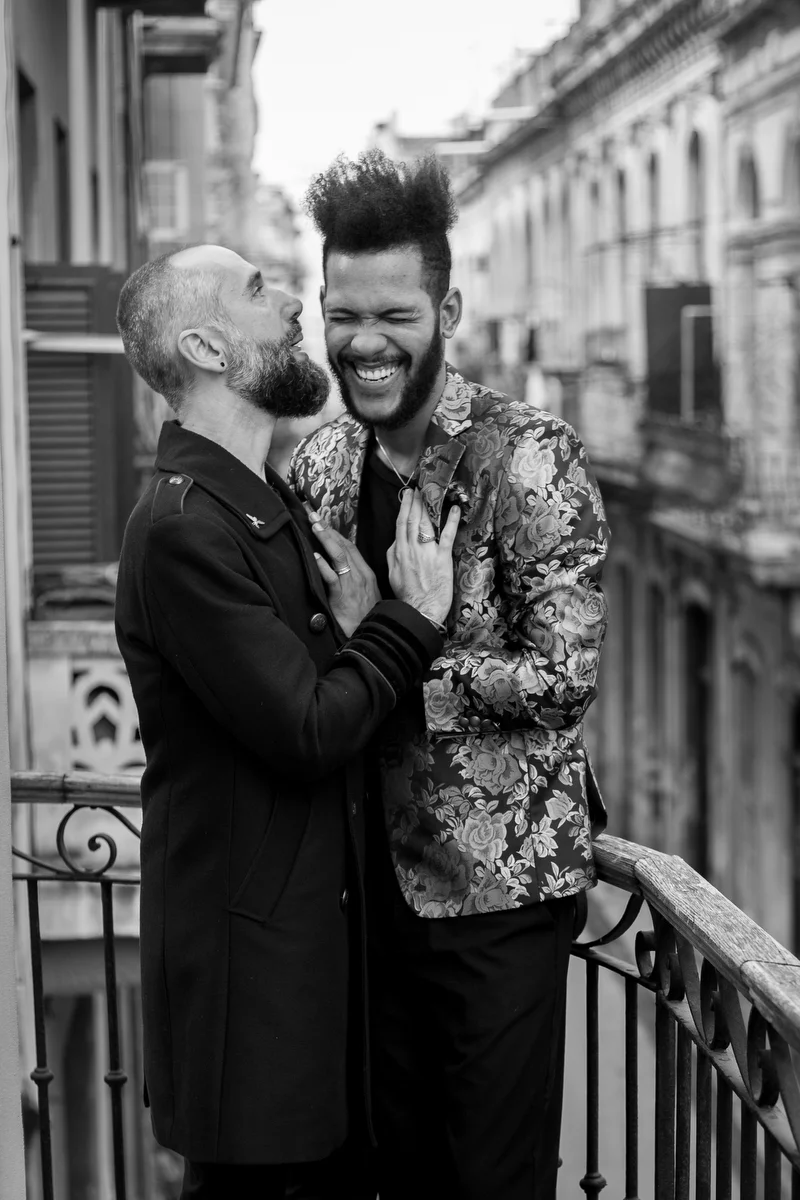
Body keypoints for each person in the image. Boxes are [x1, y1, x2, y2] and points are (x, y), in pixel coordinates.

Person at [290, 151, 610, 1200]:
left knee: (488, 1181)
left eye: (394, 314)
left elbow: (564, 674)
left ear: (448, 307)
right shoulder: (323, 465)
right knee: (400, 1174)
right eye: (343, 315)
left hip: (500, 898)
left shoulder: (528, 456)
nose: (364, 344)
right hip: (366, 900)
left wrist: (396, 647)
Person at [114, 243, 460, 1199]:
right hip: (252, 999)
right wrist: (408, 622)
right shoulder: (185, 526)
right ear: (208, 347)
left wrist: (355, 630)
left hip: (304, 985)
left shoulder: (251, 499)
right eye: (259, 292)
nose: (295, 308)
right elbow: (307, 729)